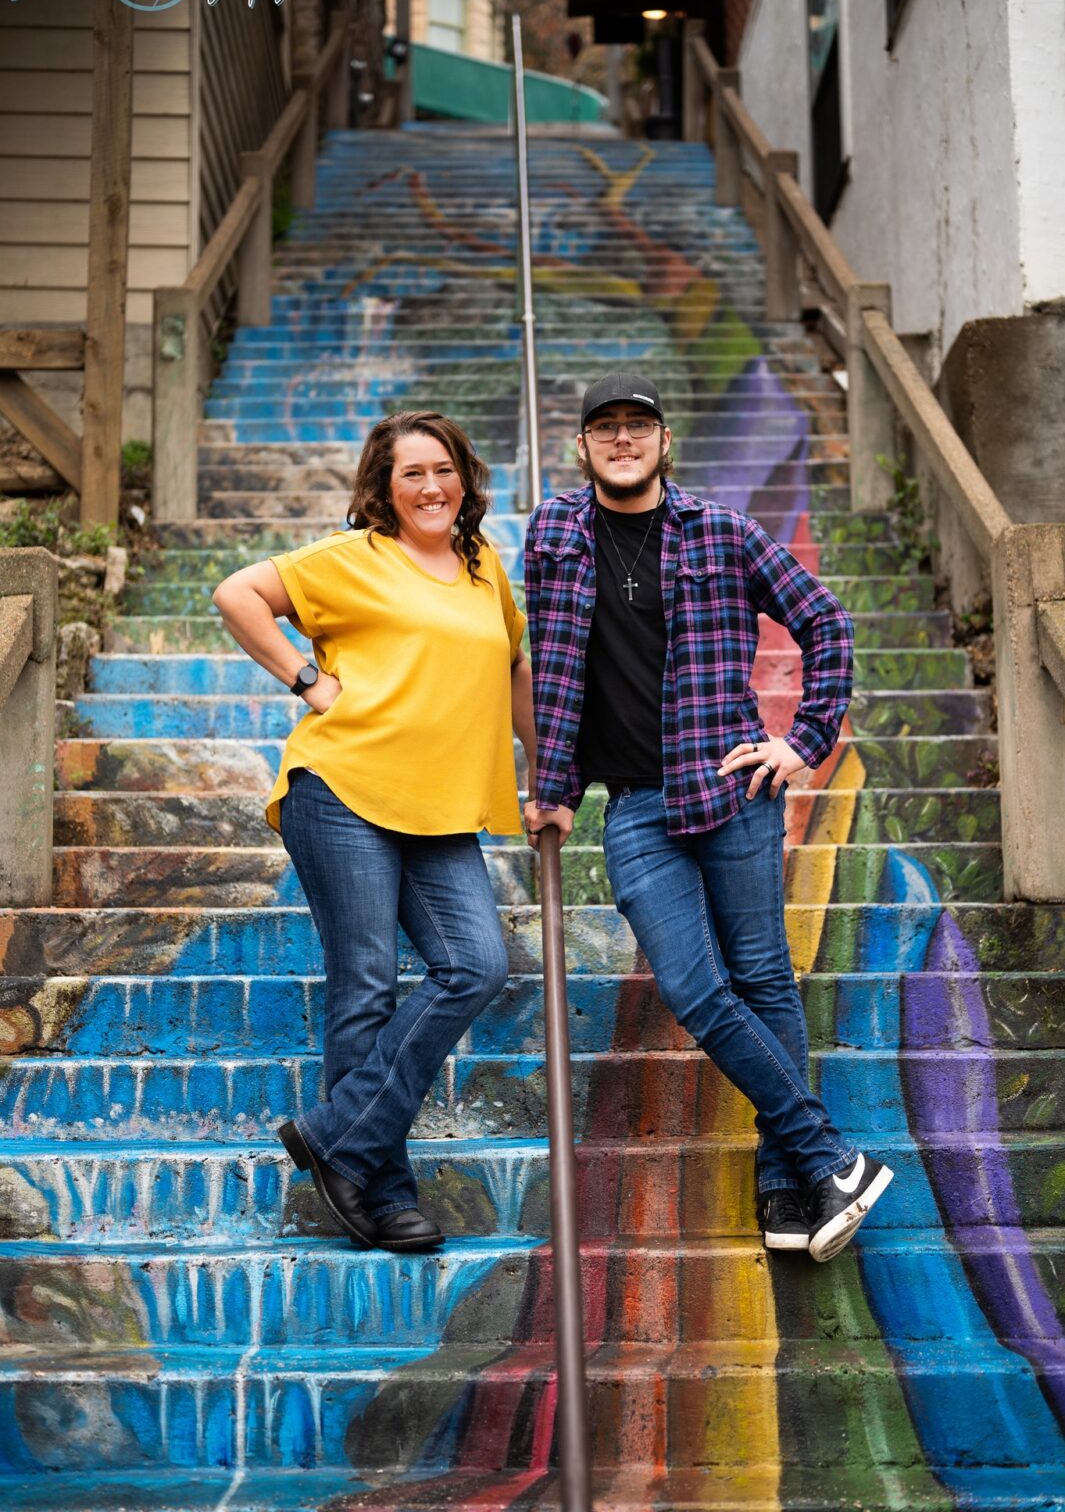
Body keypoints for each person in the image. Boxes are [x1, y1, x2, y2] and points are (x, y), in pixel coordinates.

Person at [522, 373, 893, 1263]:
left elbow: (824, 622)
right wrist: (556, 788)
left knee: (763, 980)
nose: (621, 440)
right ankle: (830, 1157)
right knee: (694, 987)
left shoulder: (720, 532)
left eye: (636, 426)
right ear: (581, 446)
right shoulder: (553, 532)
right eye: (604, 428)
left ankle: (788, 1185)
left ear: (664, 439)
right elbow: (554, 667)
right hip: (635, 808)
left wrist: (801, 740)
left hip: (732, 792)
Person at [213, 411, 535, 1253]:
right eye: (410, 475)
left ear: (464, 477)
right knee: (365, 981)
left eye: (443, 471)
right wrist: (309, 681)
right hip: (345, 788)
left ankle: (337, 1134)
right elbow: (237, 594)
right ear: (382, 490)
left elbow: (513, 670)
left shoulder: (482, 567)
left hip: (440, 805)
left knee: (476, 963)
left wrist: (551, 773)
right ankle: (379, 1190)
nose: (430, 487)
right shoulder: (350, 558)